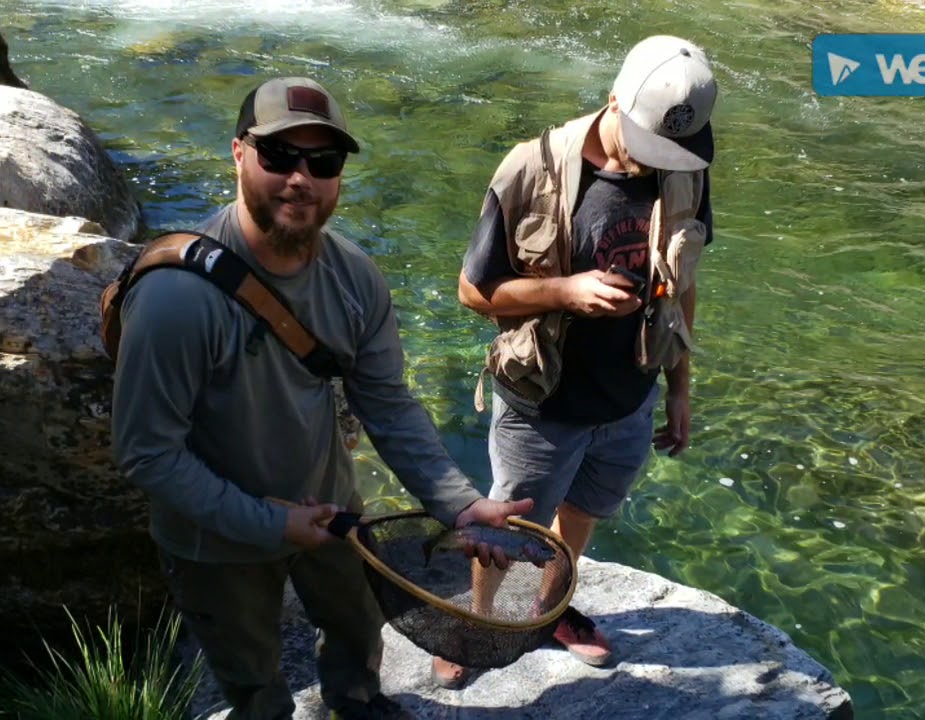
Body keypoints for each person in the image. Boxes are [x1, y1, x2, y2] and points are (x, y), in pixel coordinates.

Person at [111, 76, 533, 720]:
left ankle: (357, 703)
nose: (300, 179)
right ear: (237, 153)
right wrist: (270, 523)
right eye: (279, 156)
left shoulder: (356, 277)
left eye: (323, 161)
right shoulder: (175, 300)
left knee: (359, 634)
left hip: (333, 511)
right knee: (252, 679)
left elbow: (387, 403)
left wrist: (460, 503)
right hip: (213, 541)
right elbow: (147, 455)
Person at [440, 35, 718, 687]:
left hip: (630, 395)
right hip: (542, 400)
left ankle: (550, 609)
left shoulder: (687, 166)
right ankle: (478, 623)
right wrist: (566, 292)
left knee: (585, 511)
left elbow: (685, 282)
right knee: (510, 524)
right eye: (648, 145)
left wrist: (680, 387)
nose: (659, 164)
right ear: (614, 100)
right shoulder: (530, 170)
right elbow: (472, 291)